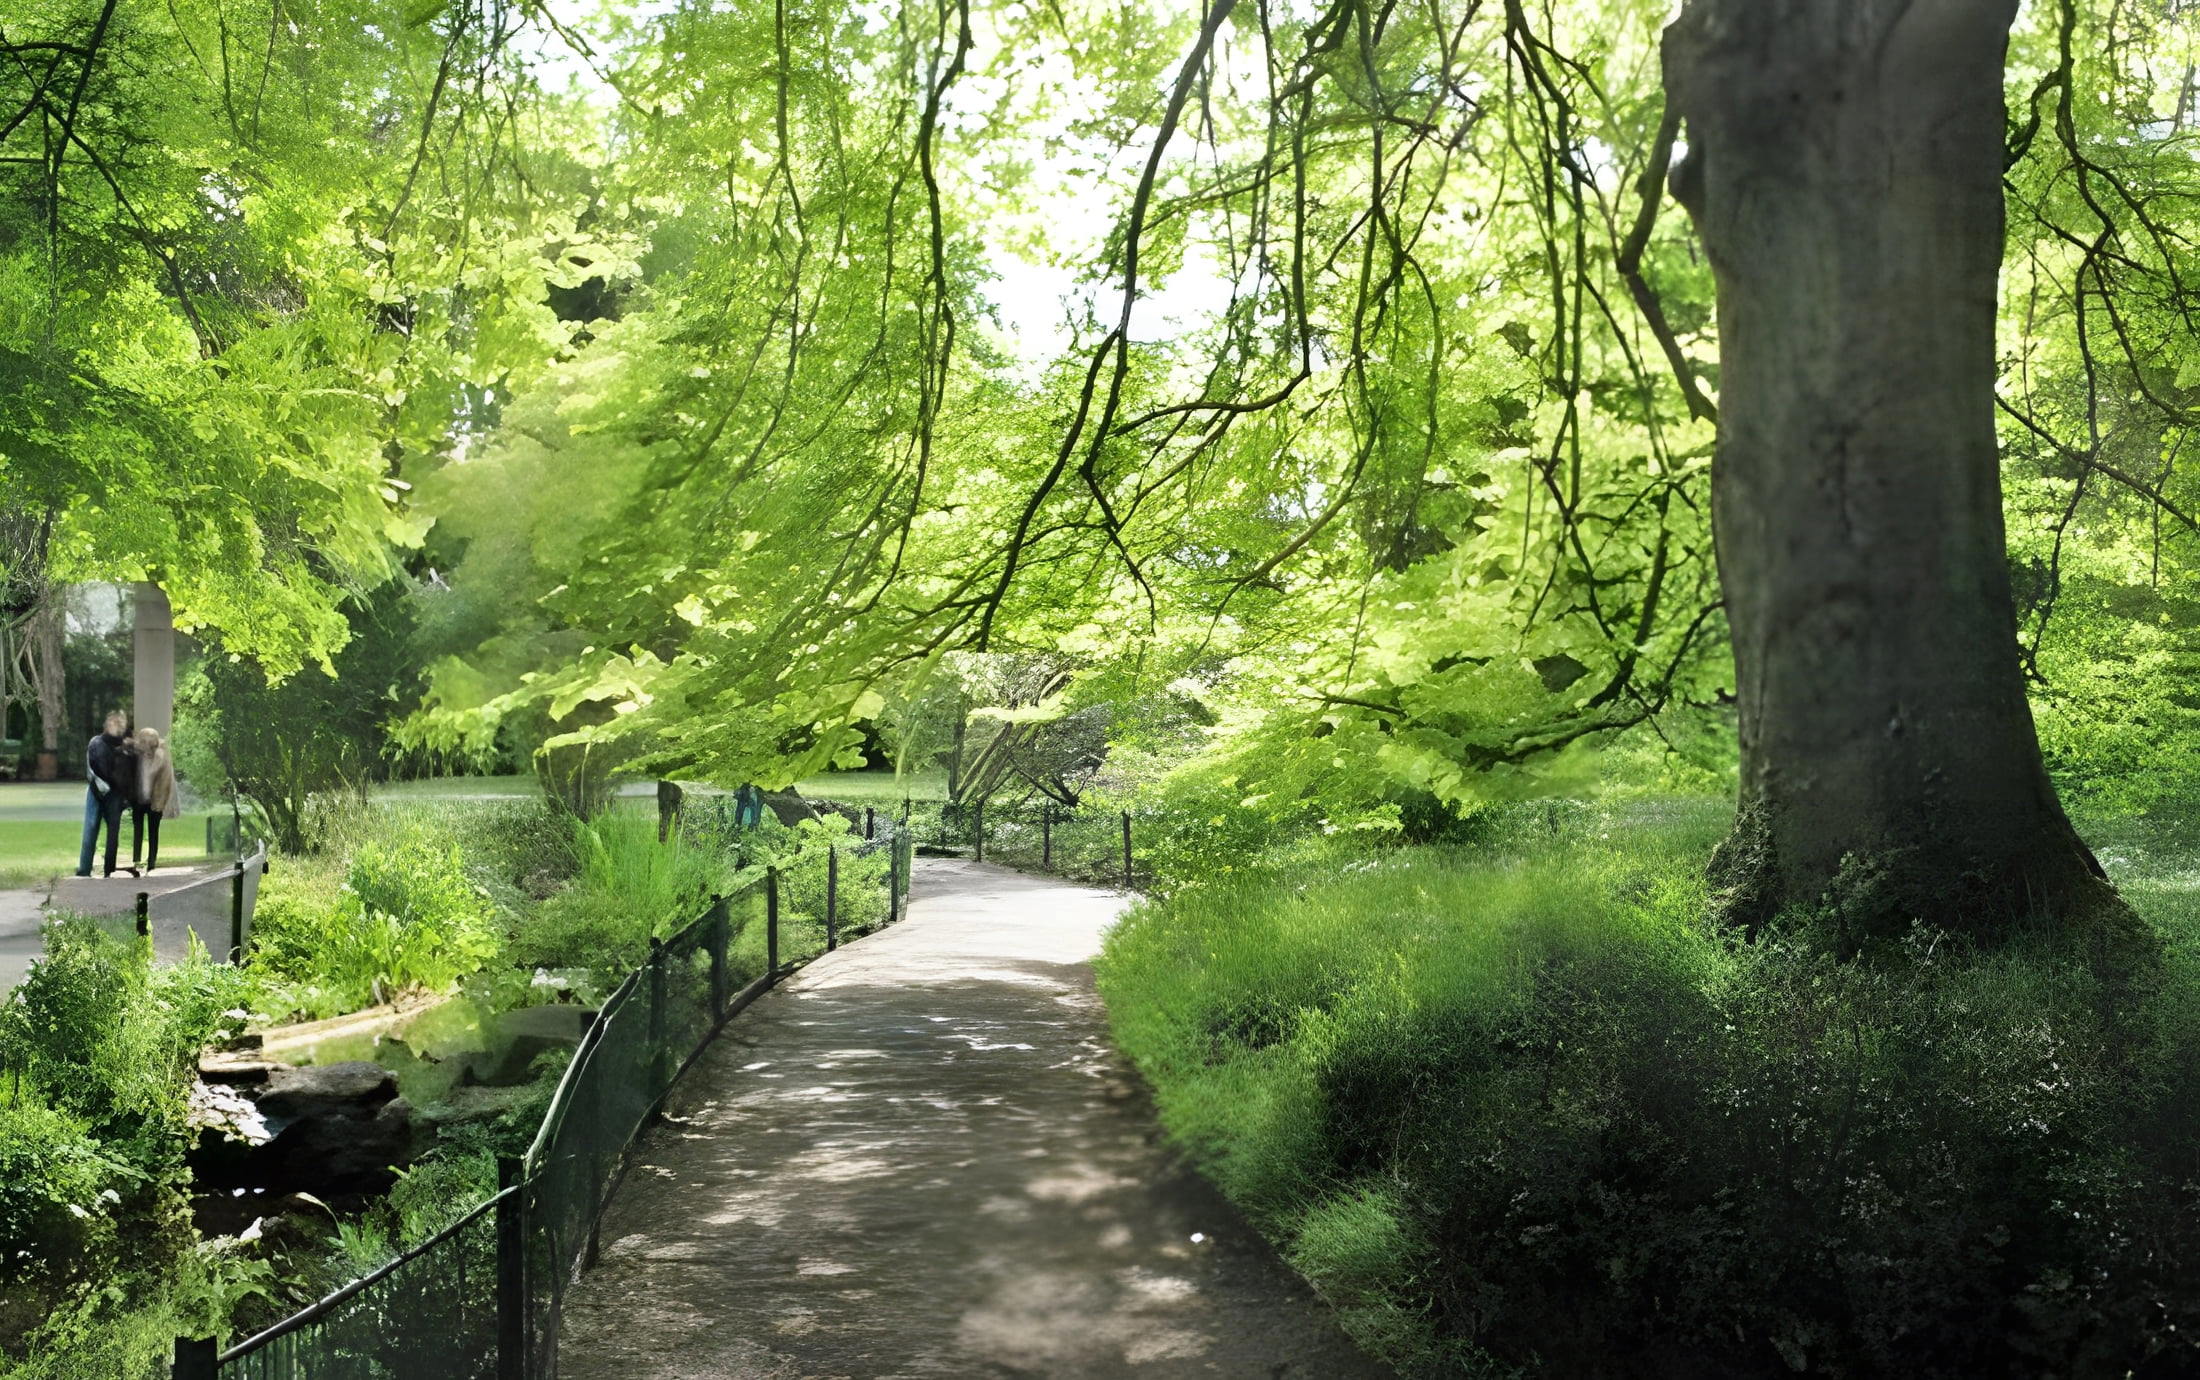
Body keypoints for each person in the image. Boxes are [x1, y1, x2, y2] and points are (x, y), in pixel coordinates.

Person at [76, 711, 133, 878]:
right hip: (97, 792)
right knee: (90, 829)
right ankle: (84, 869)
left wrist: (126, 796)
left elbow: (129, 773)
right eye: (114, 723)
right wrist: (103, 787)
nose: (117, 727)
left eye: (120, 724)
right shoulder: (96, 743)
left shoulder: (126, 747)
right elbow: (91, 768)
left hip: (115, 794)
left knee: (113, 833)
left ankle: (109, 869)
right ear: (107, 725)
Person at [132, 726, 180, 875]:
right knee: (137, 831)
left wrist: (161, 803)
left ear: (154, 742)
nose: (145, 744)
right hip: (139, 799)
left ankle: (151, 862)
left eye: (148, 741)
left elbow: (166, 781)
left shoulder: (161, 756)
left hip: (155, 800)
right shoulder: (136, 755)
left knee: (153, 832)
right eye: (143, 740)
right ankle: (136, 860)